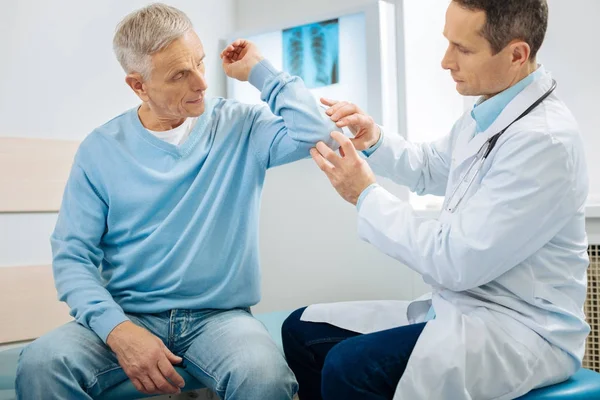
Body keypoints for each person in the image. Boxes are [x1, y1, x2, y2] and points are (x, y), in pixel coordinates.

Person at [15, 3, 337, 399]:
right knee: (40, 364)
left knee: (265, 376)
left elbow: (318, 133)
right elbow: (72, 256)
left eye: (200, 63)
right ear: (138, 85)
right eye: (180, 75)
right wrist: (117, 331)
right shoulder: (100, 150)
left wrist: (261, 72)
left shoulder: (240, 127)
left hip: (221, 319)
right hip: (130, 316)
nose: (202, 83)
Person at [282, 0, 590, 399]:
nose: (446, 61)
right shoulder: (490, 111)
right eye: (448, 43)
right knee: (300, 330)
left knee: (350, 366)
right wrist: (373, 137)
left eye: (462, 49)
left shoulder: (544, 142)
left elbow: (455, 260)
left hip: (523, 330)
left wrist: (365, 195)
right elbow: (430, 166)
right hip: (464, 308)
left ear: (517, 54)